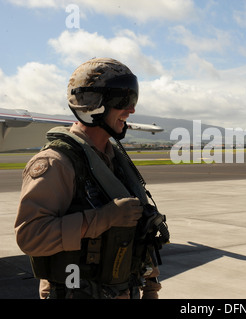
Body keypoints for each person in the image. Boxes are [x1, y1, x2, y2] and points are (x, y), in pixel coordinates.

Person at [15, 57, 168, 299]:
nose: (131, 110)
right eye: (123, 100)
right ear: (92, 104)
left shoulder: (114, 160)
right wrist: (102, 218)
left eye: (133, 99)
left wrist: (151, 287)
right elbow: (30, 236)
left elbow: (138, 232)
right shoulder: (57, 163)